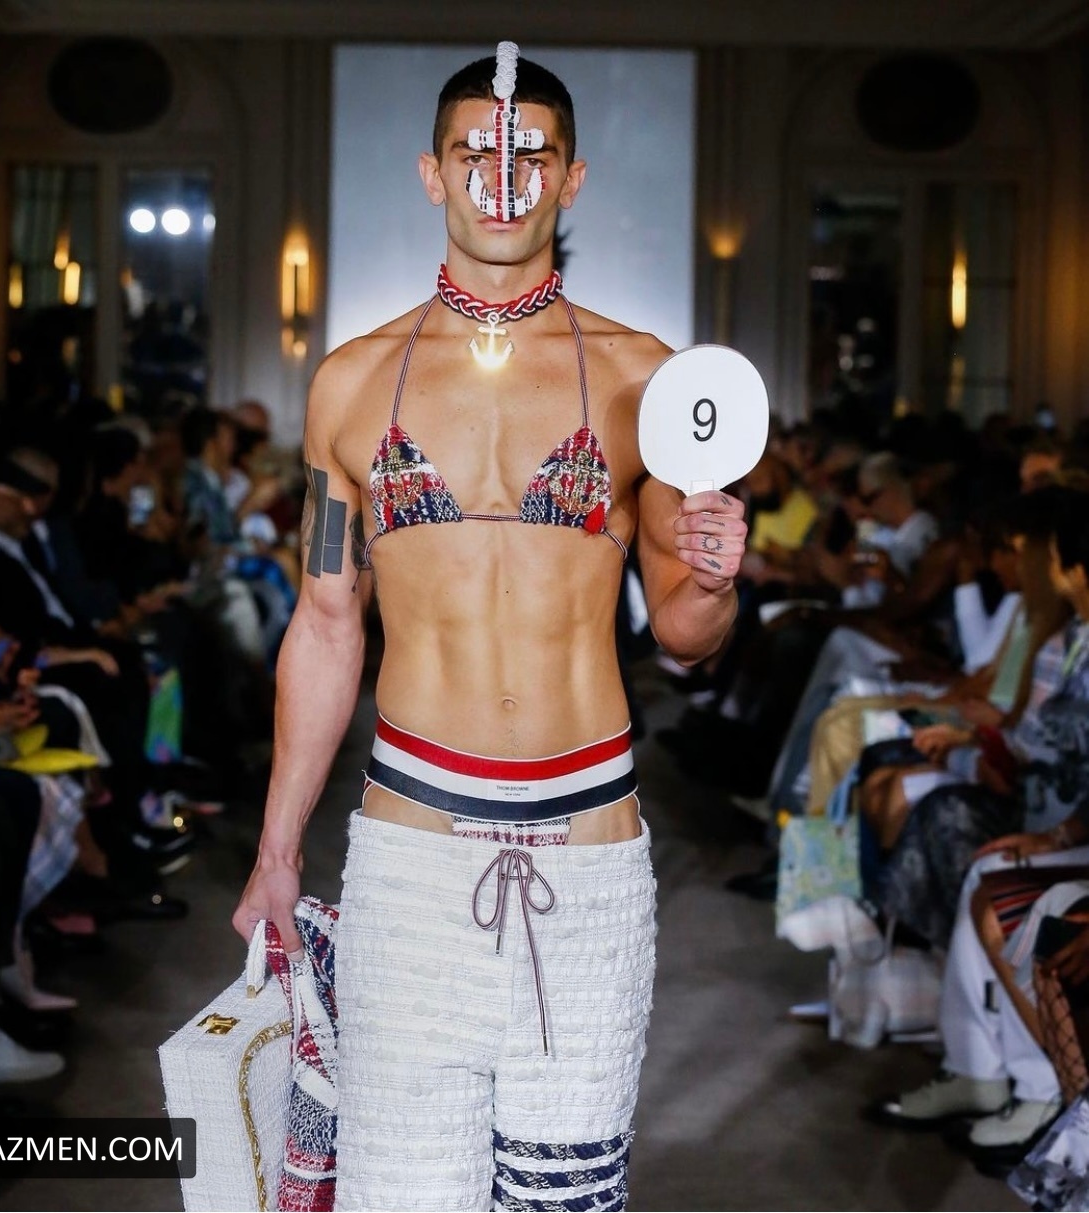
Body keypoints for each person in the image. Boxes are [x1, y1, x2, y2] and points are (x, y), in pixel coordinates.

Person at [232, 42, 747, 1212]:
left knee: (565, 1198)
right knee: (402, 1189)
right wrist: (276, 851)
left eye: (533, 157)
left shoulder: (647, 378)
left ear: (572, 178)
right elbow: (326, 623)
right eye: (476, 153)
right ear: (432, 174)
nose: (503, 180)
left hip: (590, 854)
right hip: (412, 850)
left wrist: (716, 581)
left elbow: (683, 630)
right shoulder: (352, 382)